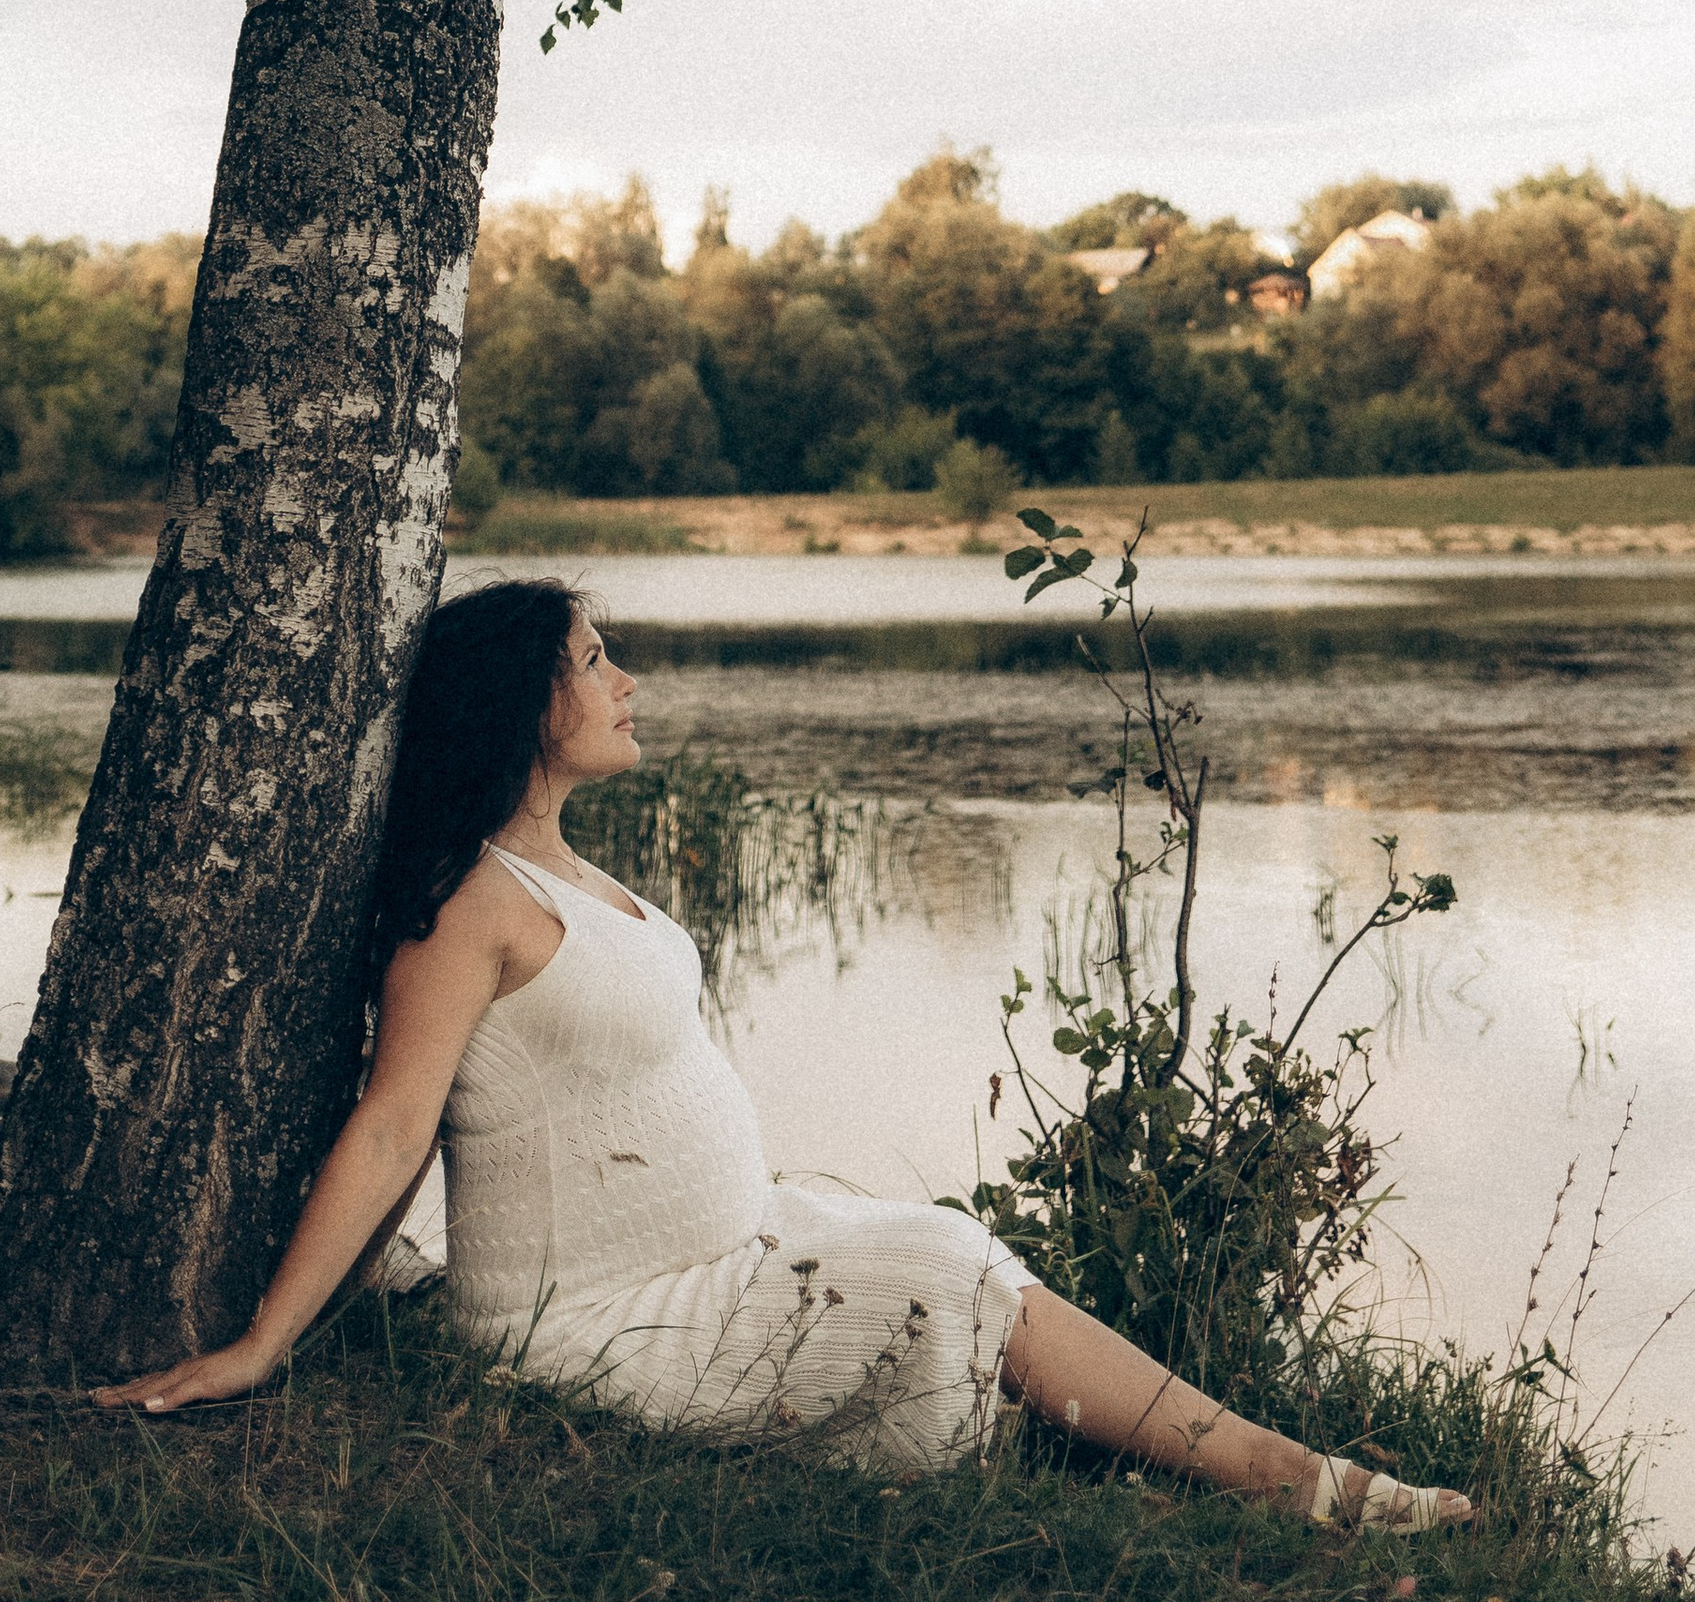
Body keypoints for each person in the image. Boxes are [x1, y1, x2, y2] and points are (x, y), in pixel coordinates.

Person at [95, 579, 1471, 1530]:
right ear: (521, 703)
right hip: (600, 1323)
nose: (628, 681)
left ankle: (1265, 1471)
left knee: (946, 1250)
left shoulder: (561, 869)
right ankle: (1296, 1485)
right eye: (594, 662)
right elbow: (395, 1127)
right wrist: (264, 1345)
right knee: (944, 1267)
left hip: (725, 1254)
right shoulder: (469, 904)